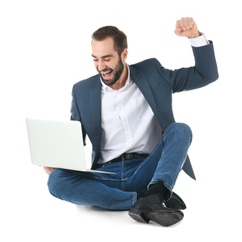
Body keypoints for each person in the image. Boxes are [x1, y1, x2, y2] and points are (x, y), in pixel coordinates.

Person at [44, 17, 218, 227]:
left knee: (180, 130)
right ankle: (147, 200)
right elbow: (74, 138)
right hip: (106, 174)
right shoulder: (82, 91)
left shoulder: (152, 73)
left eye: (107, 58)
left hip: (148, 168)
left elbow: (205, 74)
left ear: (124, 54)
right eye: (95, 59)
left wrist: (194, 37)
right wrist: (57, 159)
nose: (101, 66)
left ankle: (155, 191)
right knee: (56, 181)